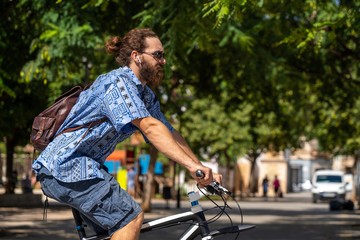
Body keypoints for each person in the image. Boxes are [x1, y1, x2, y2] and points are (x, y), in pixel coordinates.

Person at [32, 28, 221, 240]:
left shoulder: (145, 95)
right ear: (136, 56)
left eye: (163, 55)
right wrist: (192, 167)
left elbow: (169, 132)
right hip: (67, 166)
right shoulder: (117, 83)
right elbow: (150, 127)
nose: (163, 61)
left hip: (82, 168)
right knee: (130, 219)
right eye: (158, 55)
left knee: (117, 232)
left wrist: (201, 167)